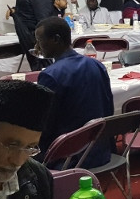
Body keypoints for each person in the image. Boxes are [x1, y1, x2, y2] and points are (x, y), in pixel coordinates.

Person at [35, 17, 114, 168]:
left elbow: (44, 124)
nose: (36, 46)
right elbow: (108, 108)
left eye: (39, 40)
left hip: (67, 157)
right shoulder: (97, 65)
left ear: (56, 39)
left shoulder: (50, 75)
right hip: (101, 151)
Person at [7, 0, 54, 71]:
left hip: (37, 43)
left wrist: (40, 43)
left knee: (44, 71)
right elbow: (29, 11)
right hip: (30, 40)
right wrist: (15, 12)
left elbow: (43, 19)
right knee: (38, 71)